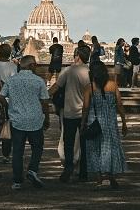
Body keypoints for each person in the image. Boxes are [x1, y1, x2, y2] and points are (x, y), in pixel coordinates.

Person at [0, 55, 50, 190]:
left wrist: (8, 107)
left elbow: (0, 96)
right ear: (31, 65)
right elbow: (45, 101)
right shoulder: (38, 81)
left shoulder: (11, 80)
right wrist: (47, 118)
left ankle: (17, 181)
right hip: (35, 120)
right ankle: (32, 170)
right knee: (37, 148)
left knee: (17, 151)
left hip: (17, 120)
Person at [82, 61, 128, 189]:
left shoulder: (89, 87)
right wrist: (124, 122)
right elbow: (119, 104)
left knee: (94, 149)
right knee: (110, 148)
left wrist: (82, 124)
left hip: (94, 122)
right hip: (110, 122)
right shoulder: (113, 85)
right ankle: (110, 175)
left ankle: (100, 178)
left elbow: (85, 108)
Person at [50, 44, 90, 182]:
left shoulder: (68, 71)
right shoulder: (90, 71)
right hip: (86, 112)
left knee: (68, 143)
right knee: (84, 143)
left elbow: (56, 87)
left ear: (77, 56)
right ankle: (84, 171)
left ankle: (68, 168)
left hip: (70, 112)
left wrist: (43, 97)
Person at [0, 43, 17, 164]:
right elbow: (13, 83)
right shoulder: (13, 66)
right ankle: (6, 155)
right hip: (8, 100)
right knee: (7, 128)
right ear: (9, 53)